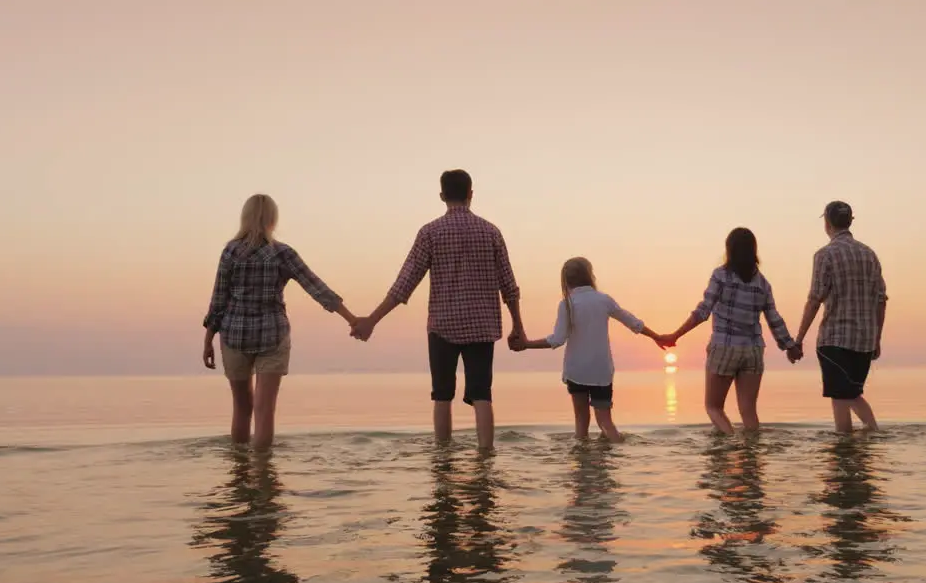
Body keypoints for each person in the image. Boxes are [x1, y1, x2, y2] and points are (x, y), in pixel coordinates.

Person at [352, 169, 525, 450]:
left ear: (442, 196)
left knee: (442, 395)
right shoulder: (491, 231)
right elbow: (509, 285)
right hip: (482, 326)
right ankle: (485, 457)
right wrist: (518, 325)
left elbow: (403, 285)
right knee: (482, 394)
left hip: (443, 327)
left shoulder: (430, 233)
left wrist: (372, 320)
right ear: (471, 194)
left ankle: (443, 459)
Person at [202, 194, 359, 450]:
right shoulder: (282, 253)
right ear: (272, 219)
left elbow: (218, 300)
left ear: (245, 217)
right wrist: (351, 319)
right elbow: (317, 288)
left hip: (234, 336)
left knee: (242, 408)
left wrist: (208, 340)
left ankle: (240, 478)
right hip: (272, 336)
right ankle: (264, 478)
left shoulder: (230, 252)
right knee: (265, 410)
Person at [511, 257, 667, 442]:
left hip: (577, 371)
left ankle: (581, 463)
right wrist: (657, 336)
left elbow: (557, 339)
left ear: (565, 281)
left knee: (581, 423)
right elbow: (633, 322)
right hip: (601, 371)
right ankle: (616, 451)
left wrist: (527, 344)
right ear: (590, 276)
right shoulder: (604, 300)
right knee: (605, 422)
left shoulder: (567, 304)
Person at [663, 228, 800, 435]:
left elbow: (703, 311)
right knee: (749, 412)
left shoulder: (721, 276)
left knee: (714, 408)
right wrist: (789, 345)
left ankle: (730, 440)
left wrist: (675, 335)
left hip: (724, 347)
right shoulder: (763, 284)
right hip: (753, 351)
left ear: (730, 250)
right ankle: (751, 455)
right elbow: (774, 319)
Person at [792, 201, 888, 434]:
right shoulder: (869, 254)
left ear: (827, 223)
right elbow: (881, 299)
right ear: (850, 221)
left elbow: (815, 299)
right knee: (852, 394)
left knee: (840, 397)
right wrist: (876, 339)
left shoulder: (825, 255)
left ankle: (843, 448)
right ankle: (873, 436)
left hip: (835, 339)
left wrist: (799, 338)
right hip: (864, 341)